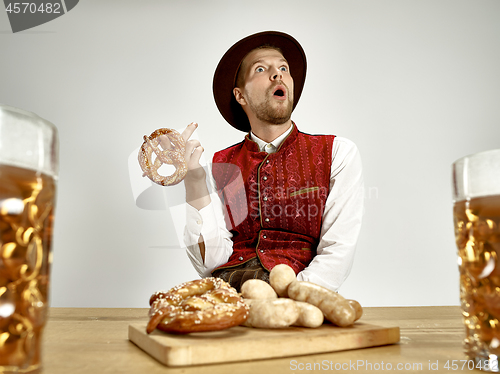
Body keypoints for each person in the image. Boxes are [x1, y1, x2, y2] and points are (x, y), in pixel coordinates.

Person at [181, 31, 364, 292]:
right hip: (230, 296)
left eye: (283, 68)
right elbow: (210, 263)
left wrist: (289, 299)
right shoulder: (219, 165)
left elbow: (338, 250)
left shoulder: (338, 152)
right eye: (260, 69)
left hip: (301, 298)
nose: (277, 74)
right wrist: (194, 179)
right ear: (240, 96)